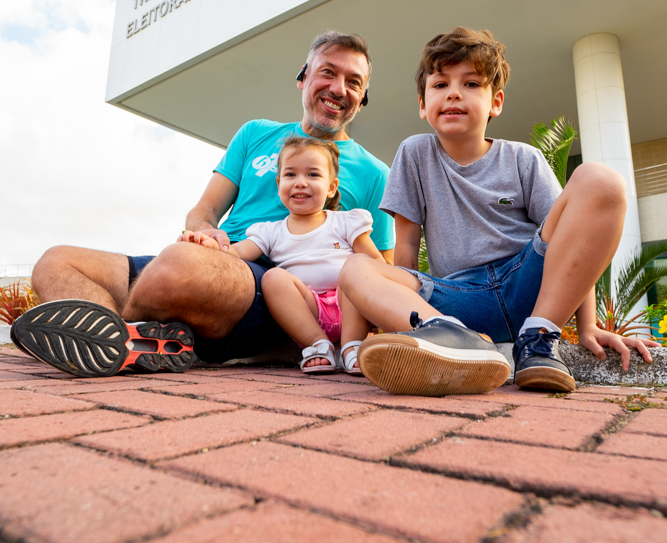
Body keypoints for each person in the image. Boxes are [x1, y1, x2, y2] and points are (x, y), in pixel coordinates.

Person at [13, 31, 394, 378]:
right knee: (56, 262)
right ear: (303, 78)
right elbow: (203, 211)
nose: (339, 88)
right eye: (328, 72)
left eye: (354, 82)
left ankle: (119, 333)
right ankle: (125, 345)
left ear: (362, 99)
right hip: (217, 256)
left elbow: (383, 271)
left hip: (277, 289)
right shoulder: (255, 133)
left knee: (177, 266)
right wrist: (205, 234)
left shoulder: (376, 173)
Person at [339, 26, 655, 396]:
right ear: (423, 105)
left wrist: (587, 327)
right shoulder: (415, 153)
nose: (454, 92)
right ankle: (449, 338)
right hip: (456, 299)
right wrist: (400, 323)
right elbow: (406, 248)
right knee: (355, 267)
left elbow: (572, 240)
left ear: (496, 102)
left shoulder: (523, 159)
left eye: (471, 84)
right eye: (440, 85)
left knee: (602, 180)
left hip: (528, 284)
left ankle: (538, 341)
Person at [196, 135, 384, 373]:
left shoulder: (346, 222)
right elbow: (238, 251)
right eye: (290, 174)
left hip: (351, 304)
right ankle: (317, 344)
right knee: (273, 278)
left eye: (313, 174)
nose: (300, 182)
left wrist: (380, 303)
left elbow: (376, 262)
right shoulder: (271, 231)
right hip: (309, 310)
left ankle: (351, 346)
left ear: (331, 187)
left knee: (358, 265)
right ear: (278, 184)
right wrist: (216, 247)